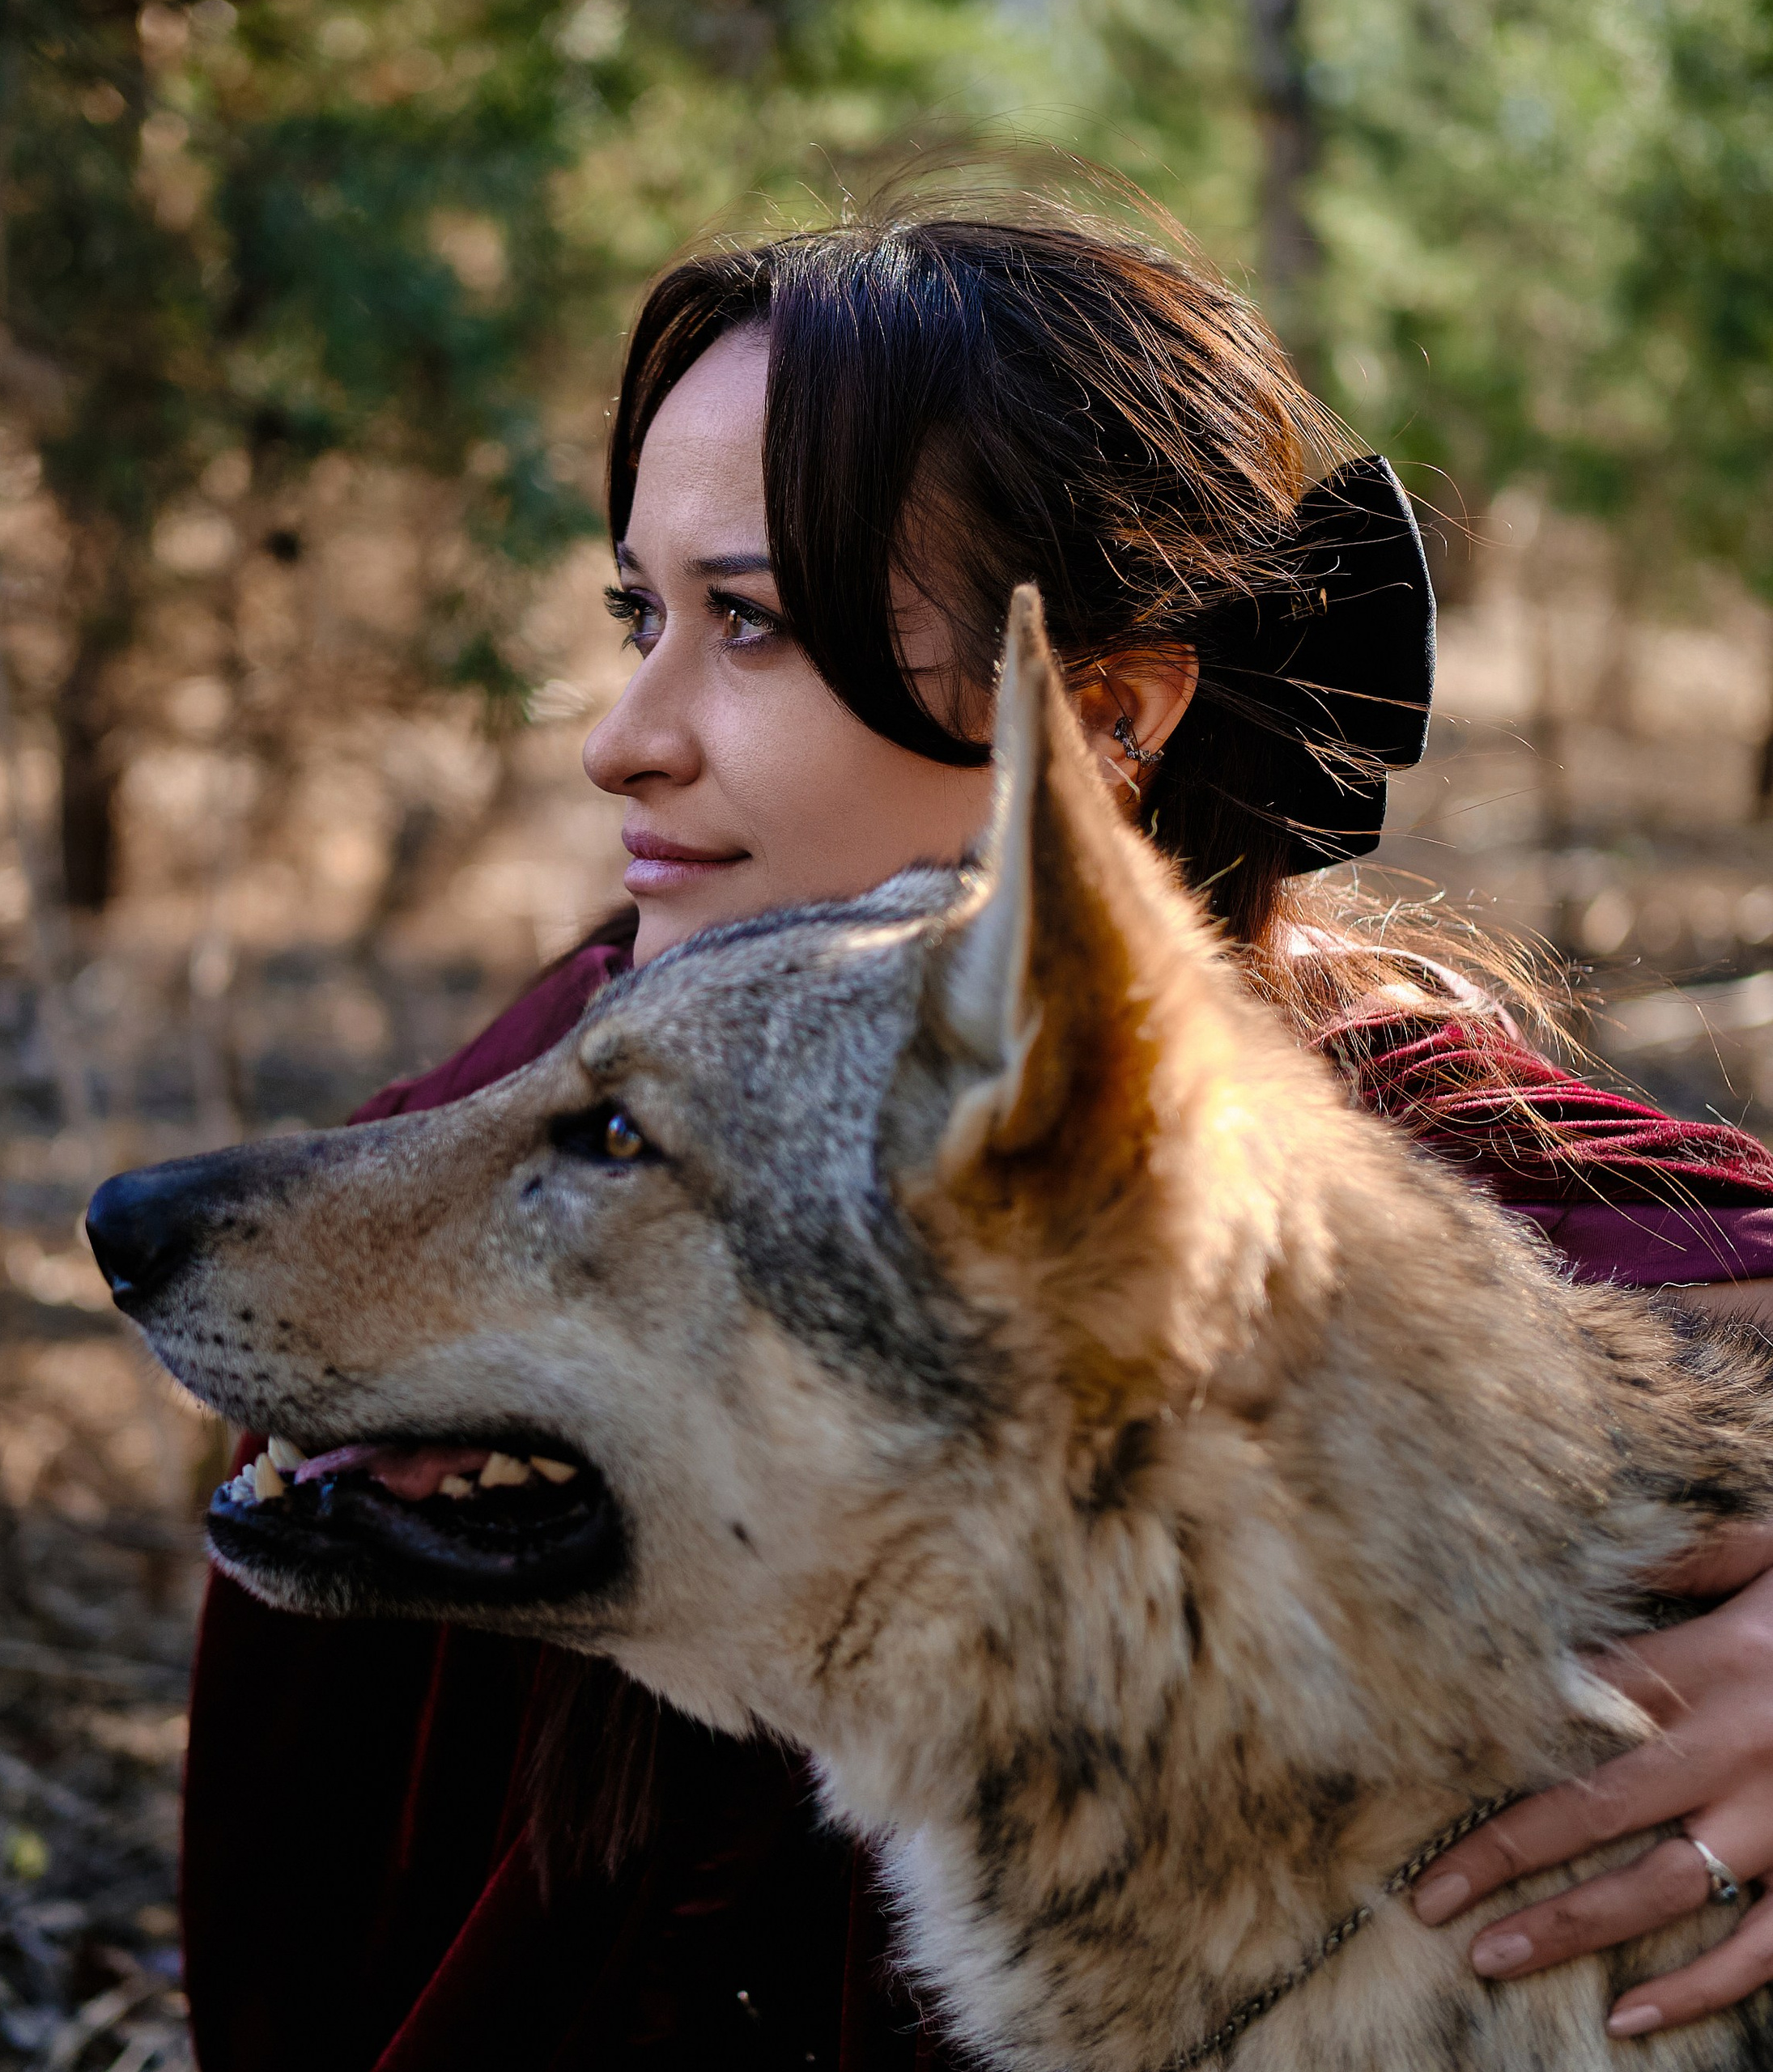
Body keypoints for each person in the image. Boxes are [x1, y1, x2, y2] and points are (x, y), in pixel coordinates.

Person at [179, 205, 1773, 2070]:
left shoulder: (1467, 1192)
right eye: (638, 611)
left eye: (749, 622)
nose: (620, 733)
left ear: (1094, 717)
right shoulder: (556, 1051)